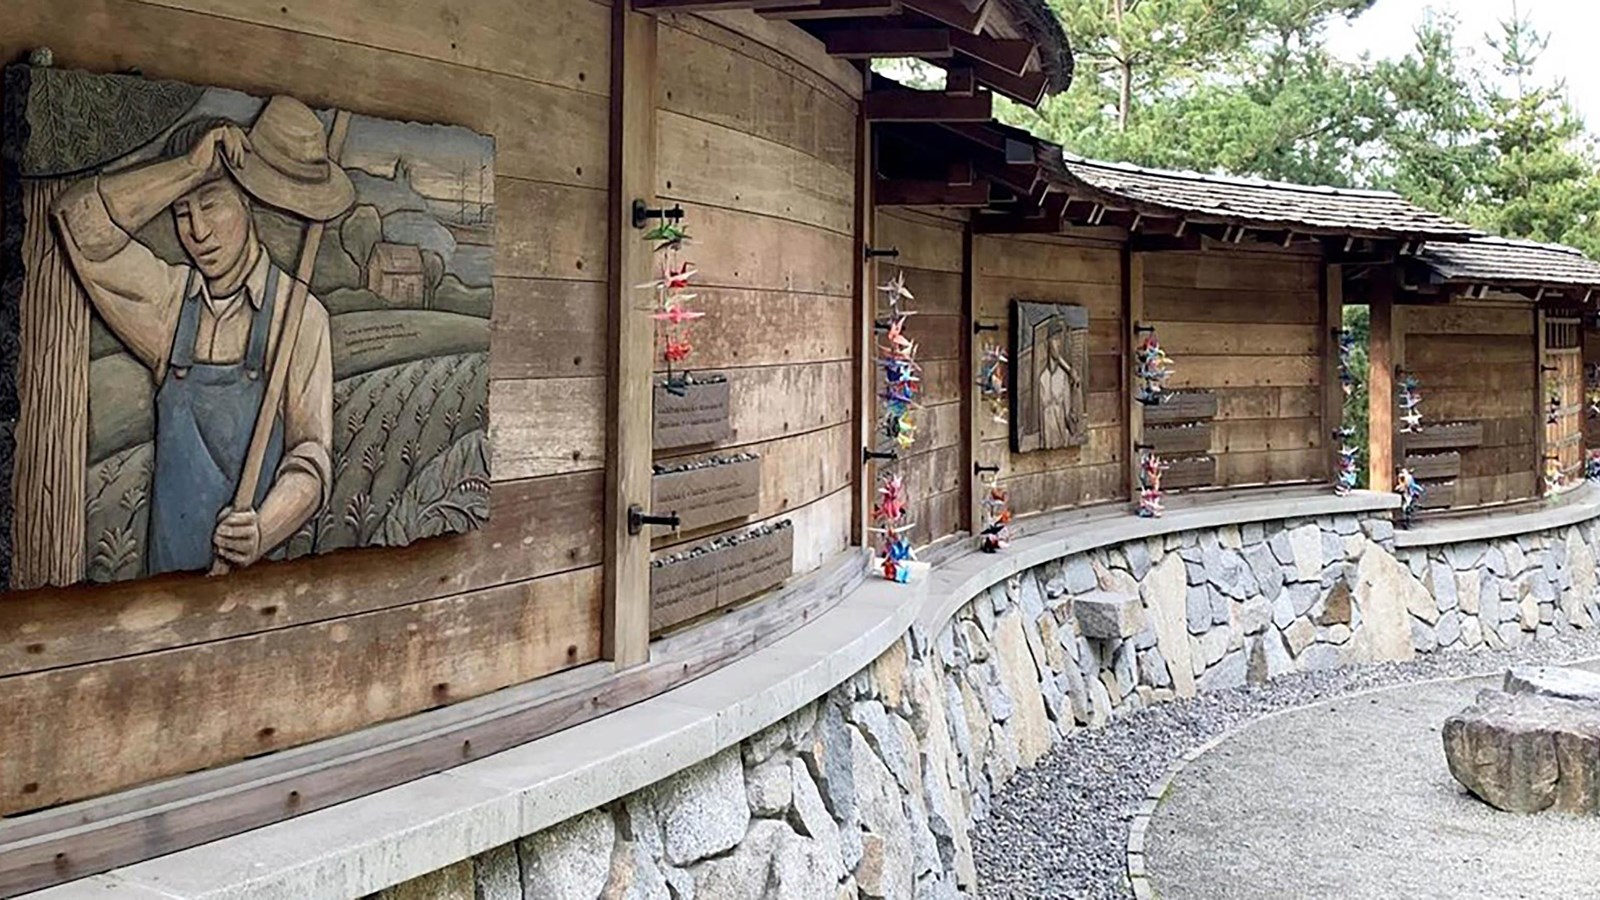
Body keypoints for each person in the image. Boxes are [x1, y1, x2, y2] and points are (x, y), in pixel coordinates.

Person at [52, 95, 350, 574]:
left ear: (248, 203)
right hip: (165, 582)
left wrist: (263, 529)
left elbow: (310, 455)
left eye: (211, 205)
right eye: (182, 212)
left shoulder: (298, 316)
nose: (198, 232)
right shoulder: (169, 305)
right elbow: (77, 218)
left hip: (254, 587)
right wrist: (188, 171)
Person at [1037, 324, 1080, 448]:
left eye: (1059, 339)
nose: (1058, 343)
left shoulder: (1063, 377)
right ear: (1048, 343)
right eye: (1055, 339)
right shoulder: (1043, 378)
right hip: (1047, 437)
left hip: (1060, 437)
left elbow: (1068, 412)